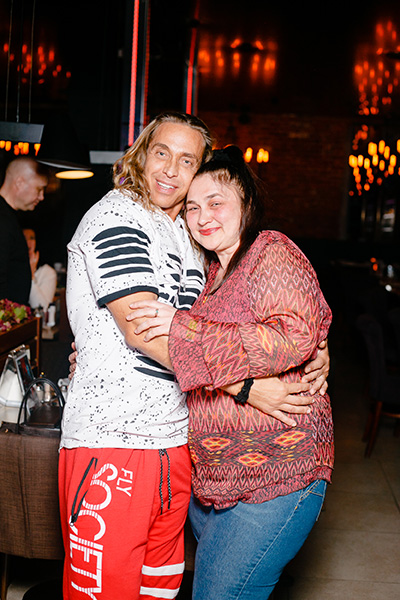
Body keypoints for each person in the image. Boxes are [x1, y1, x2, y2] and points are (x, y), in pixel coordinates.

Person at [61, 112, 329, 600]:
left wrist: (316, 348)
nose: (170, 169)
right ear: (141, 154)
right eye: (161, 152)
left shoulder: (210, 242)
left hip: (194, 453)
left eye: (187, 161)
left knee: (166, 589)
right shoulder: (117, 217)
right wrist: (246, 388)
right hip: (118, 441)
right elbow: (143, 332)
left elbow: (284, 323)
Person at [126, 145, 334, 600]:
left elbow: (293, 336)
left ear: (246, 202)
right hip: (214, 482)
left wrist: (182, 327)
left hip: (275, 477)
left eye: (215, 202)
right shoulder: (208, 274)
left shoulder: (270, 250)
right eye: (192, 207)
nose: (203, 217)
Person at [0, 157, 48, 304]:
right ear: (19, 182)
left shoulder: (8, 216)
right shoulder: (2, 218)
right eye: (39, 189)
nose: (42, 197)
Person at [23, 228, 57, 311]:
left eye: (31, 238)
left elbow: (42, 307)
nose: (28, 242)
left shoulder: (48, 272)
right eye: (24, 238)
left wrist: (31, 275)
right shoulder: (12, 269)